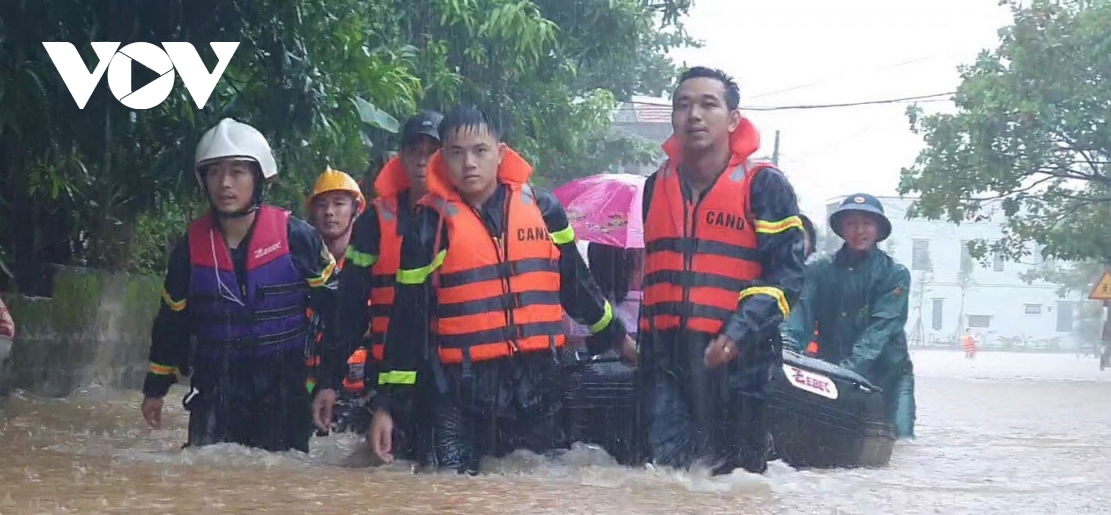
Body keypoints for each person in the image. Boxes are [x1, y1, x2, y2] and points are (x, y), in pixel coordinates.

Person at [370, 104, 637, 474]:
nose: (469, 164)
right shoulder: (428, 224)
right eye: (456, 153)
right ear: (441, 158)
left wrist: (620, 340)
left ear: (501, 152)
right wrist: (388, 405)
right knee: (454, 495)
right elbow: (407, 319)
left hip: (537, 381)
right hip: (461, 389)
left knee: (536, 490)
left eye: (480, 151)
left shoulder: (543, 208)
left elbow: (577, 285)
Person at [639, 66, 807, 474]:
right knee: (663, 479)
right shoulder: (654, 186)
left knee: (737, 481)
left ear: (733, 119)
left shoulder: (764, 185)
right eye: (683, 105)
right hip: (667, 358)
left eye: (707, 104)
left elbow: (786, 276)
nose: (694, 115)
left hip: (740, 358)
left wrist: (737, 333)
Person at [140, 118, 337, 452]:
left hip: (282, 391)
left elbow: (336, 314)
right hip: (216, 390)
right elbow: (171, 324)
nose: (225, 184)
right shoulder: (188, 250)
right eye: (215, 172)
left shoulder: (296, 237)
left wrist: (328, 383)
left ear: (259, 178)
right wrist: (155, 390)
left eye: (237, 172)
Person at [311, 111, 442, 440]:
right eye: (415, 150)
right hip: (386, 373)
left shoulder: (467, 214)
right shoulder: (375, 221)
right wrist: (329, 379)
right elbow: (351, 307)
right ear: (402, 157)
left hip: (453, 377)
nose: (423, 159)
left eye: (433, 151)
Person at [784, 193, 916, 438]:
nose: (859, 230)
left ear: (878, 229)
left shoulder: (895, 275)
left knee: (902, 443)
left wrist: (842, 373)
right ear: (841, 228)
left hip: (887, 376)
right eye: (851, 223)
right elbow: (798, 320)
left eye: (867, 223)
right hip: (832, 371)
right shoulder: (817, 270)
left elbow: (879, 334)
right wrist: (786, 356)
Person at [303, 168, 368, 420]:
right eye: (322, 205)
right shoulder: (302, 263)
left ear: (355, 210)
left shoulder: (368, 264)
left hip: (360, 389)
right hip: (309, 385)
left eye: (339, 204)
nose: (329, 212)